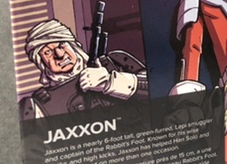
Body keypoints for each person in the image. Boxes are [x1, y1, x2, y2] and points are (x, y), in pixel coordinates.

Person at [19, 19, 147, 120]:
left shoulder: (116, 61)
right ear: (41, 62)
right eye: (48, 52)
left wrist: (111, 82)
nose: (59, 54)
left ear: (73, 45)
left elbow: (155, 88)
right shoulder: (38, 105)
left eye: (62, 45)